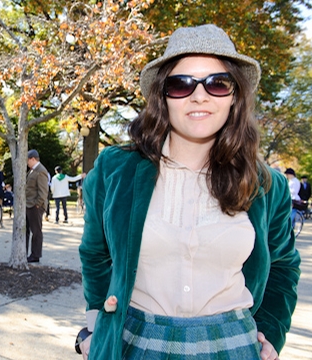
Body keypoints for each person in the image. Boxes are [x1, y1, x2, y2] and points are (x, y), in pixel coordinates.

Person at [78, 24, 300, 360]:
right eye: (181, 84)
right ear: (163, 98)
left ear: (235, 96)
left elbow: (283, 265)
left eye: (217, 83)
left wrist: (270, 330)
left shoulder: (267, 185)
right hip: (134, 346)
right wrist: (95, 326)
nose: (200, 96)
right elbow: (95, 254)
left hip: (234, 347)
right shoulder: (114, 170)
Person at [25, 149, 49, 263]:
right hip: (28, 204)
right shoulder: (32, 170)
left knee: (36, 231)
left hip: (35, 206)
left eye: (27, 160)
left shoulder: (41, 171)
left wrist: (38, 204)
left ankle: (35, 255)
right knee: (26, 230)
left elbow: (43, 191)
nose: (26, 163)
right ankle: (24, 252)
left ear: (33, 159)